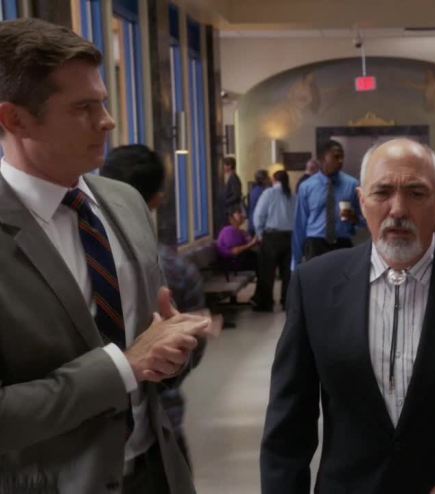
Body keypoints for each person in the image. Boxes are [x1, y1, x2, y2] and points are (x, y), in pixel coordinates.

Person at [261, 138, 435, 493]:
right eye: (382, 192)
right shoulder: (315, 286)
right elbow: (288, 425)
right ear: (361, 201)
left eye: (416, 193)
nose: (398, 209)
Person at [0, 18, 210, 493]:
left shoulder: (124, 202)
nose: (108, 121)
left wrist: (169, 351)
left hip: (156, 470)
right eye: (83, 108)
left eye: (104, 102)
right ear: (14, 120)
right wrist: (124, 367)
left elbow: (147, 342)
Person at [101, 144, 217, 468]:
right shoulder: (175, 268)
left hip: (103, 435)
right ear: (157, 199)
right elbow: (192, 347)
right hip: (158, 423)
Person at [291, 140, 361, 267]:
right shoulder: (307, 187)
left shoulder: (352, 185)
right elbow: (300, 224)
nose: (340, 161)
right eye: (336, 157)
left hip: (342, 243)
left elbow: (365, 218)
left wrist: (354, 218)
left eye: (342, 157)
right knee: (316, 279)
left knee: (343, 279)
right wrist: (296, 260)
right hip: (315, 244)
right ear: (322, 159)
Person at [251, 170, 296, 312]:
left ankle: (266, 303)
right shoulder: (293, 196)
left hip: (271, 237)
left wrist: (259, 233)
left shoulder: (268, 193)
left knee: (267, 272)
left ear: (274, 180)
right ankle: (287, 302)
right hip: (290, 237)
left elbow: (259, 215)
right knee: (287, 273)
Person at [217, 207, 259, 272]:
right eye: (239, 213)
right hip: (233, 263)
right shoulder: (228, 230)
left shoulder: (239, 231)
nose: (242, 215)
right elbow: (234, 251)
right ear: (231, 218)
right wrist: (251, 243)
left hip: (240, 260)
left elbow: (251, 245)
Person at [247, 169, 269, 236]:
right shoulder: (263, 192)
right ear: (263, 179)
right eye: (267, 177)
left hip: (252, 222)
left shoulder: (254, 190)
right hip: (258, 224)